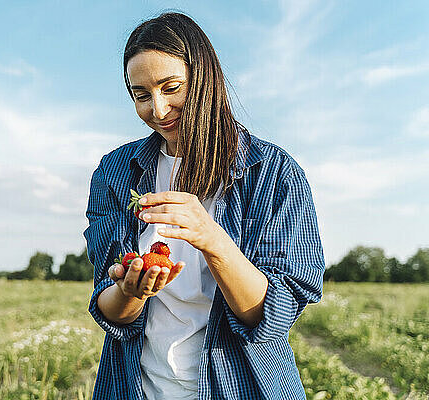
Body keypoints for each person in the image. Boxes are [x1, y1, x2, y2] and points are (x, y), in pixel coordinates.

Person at [83, 11, 325, 400]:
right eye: (141, 95)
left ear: (204, 80)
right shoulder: (115, 172)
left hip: (240, 386)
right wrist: (131, 290)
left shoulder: (273, 173)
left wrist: (213, 240)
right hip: (137, 387)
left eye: (171, 87)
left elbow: (270, 320)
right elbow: (111, 312)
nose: (158, 110)